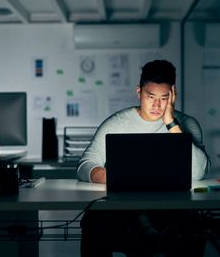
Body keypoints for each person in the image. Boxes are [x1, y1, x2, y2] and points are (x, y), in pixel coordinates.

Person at [77, 60, 209, 257]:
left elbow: (199, 171)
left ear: (173, 95)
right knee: (93, 220)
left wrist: (171, 124)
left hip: (171, 208)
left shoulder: (186, 125)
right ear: (138, 92)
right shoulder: (117, 123)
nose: (157, 105)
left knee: (193, 227)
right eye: (150, 96)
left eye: (164, 98)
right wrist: (108, 177)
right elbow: (85, 165)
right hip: (125, 209)